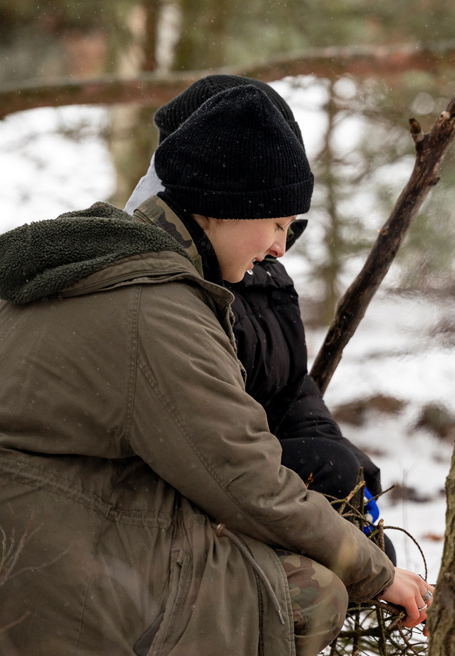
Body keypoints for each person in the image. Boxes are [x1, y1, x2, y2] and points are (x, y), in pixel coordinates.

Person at [0, 84, 433, 656]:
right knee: (308, 593)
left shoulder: (93, 262)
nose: (279, 246)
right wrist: (375, 571)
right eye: (275, 223)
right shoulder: (154, 307)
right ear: (220, 208)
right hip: (32, 591)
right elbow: (246, 480)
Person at [126, 74, 396, 562]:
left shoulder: (262, 271)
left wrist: (340, 471)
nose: (280, 246)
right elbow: (212, 453)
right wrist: (315, 480)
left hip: (250, 489)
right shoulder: (163, 290)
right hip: (188, 514)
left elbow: (289, 389)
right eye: (274, 222)